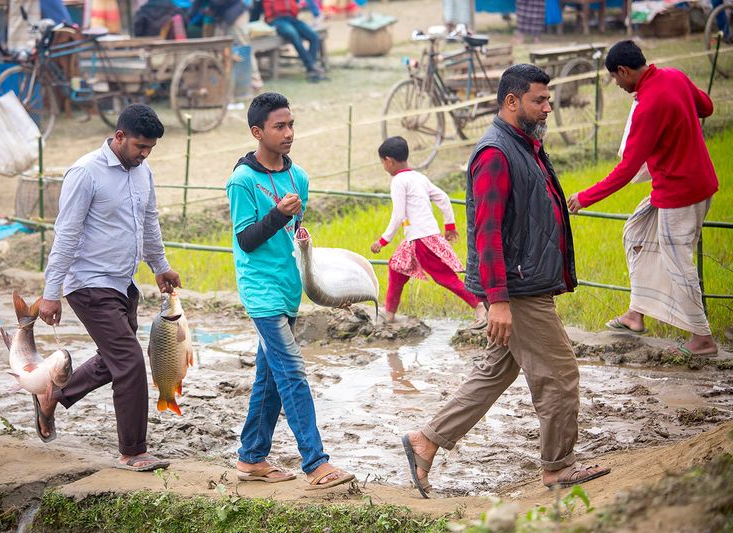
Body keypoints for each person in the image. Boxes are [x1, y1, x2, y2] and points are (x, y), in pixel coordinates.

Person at [401, 64, 610, 498]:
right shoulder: (496, 152)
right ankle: (558, 467)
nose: (548, 107)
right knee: (559, 373)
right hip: (517, 288)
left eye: (548, 99)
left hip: (522, 281)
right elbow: (487, 231)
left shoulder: (525, 144)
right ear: (512, 101)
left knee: (496, 371)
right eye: (540, 100)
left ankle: (427, 439)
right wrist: (498, 300)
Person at [36, 104, 182, 472]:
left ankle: (51, 394)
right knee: (131, 361)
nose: (144, 154)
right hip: (88, 283)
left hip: (124, 282)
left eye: (150, 148)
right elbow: (66, 234)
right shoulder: (86, 173)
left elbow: (149, 223)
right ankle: (133, 451)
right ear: (119, 136)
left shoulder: (142, 171)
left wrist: (160, 266)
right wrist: (51, 293)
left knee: (114, 358)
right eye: (139, 146)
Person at [226, 92, 354, 489]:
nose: (288, 133)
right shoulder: (242, 181)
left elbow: (292, 236)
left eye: (291, 124)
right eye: (279, 126)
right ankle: (315, 463)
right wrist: (277, 214)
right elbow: (247, 239)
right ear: (257, 131)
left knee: (269, 378)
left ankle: (251, 458)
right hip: (260, 291)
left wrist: (320, 271)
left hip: (289, 288)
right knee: (292, 372)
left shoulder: (299, 178)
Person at [566, 40, 719, 358]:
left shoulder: (648, 105)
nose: (618, 85)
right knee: (636, 232)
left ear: (623, 71)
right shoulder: (675, 77)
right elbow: (707, 107)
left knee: (679, 262)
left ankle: (702, 339)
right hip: (693, 183)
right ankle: (636, 314)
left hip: (680, 193)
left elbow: (627, 169)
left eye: (615, 78)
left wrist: (585, 197)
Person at [370, 136, 487, 327]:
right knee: (396, 266)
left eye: (383, 163)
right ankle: (389, 312)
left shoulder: (399, 181)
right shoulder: (419, 177)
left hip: (421, 238)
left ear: (389, 160)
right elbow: (443, 198)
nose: (384, 167)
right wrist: (449, 226)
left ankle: (480, 305)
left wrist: (383, 241)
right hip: (419, 237)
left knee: (445, 277)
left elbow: (398, 214)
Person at [262, 0, 327, 82]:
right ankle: (311, 66)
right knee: (293, 34)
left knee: (314, 36)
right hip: (277, 19)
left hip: (292, 18)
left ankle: (311, 70)